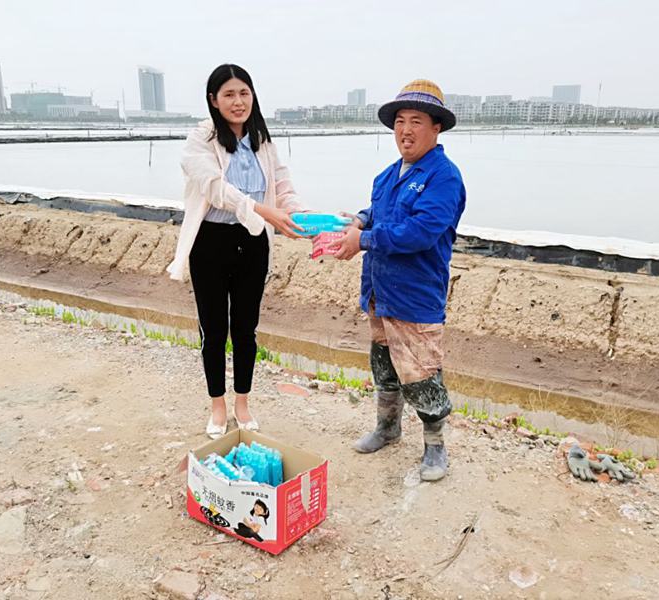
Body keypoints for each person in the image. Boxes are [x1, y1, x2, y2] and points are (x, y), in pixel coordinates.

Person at [329, 79, 466, 482]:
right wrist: (359, 221)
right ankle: (387, 427)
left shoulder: (444, 177)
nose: (405, 130)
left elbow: (421, 231)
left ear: (436, 127)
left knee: (421, 371)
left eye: (416, 121)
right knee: (384, 364)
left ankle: (435, 446)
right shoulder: (387, 175)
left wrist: (363, 240)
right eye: (400, 121)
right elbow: (377, 213)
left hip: (415, 293)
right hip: (380, 291)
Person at [167, 64, 305, 439]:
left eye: (244, 93)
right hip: (210, 242)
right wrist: (265, 212)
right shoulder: (200, 140)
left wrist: (298, 215)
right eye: (228, 94)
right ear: (214, 100)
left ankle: (242, 403)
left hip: (253, 242)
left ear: (253, 96)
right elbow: (216, 190)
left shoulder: (262, 140)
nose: (238, 101)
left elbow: (281, 184)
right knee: (213, 330)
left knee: (246, 330)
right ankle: (217, 405)